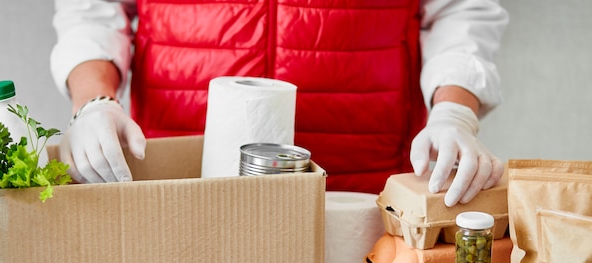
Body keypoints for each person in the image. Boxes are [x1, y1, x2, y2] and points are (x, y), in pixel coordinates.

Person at [50, 0, 508, 207]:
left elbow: (459, 11)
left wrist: (453, 111)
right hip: (183, 185)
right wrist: (95, 102)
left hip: (361, 193)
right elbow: (91, 10)